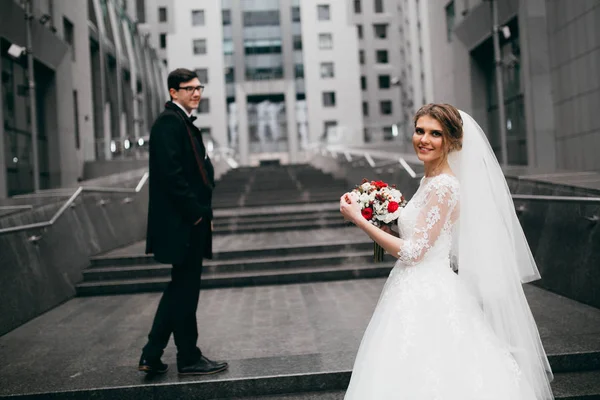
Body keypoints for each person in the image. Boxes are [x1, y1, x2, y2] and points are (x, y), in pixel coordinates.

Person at [340, 103, 554, 399]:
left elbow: (414, 253)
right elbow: (417, 241)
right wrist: (383, 225)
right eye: (419, 130)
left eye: (435, 134)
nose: (424, 139)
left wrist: (360, 221)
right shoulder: (428, 181)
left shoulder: (444, 187)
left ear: (452, 141)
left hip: (427, 290)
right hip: (411, 285)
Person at [138, 68, 228, 376]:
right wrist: (197, 213)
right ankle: (187, 357)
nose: (196, 93)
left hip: (190, 221)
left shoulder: (181, 123)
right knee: (184, 290)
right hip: (183, 223)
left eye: (199, 87)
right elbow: (171, 176)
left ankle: (154, 353)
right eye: (189, 88)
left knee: (182, 289)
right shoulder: (168, 123)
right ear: (173, 92)